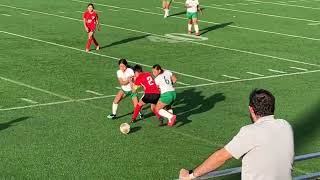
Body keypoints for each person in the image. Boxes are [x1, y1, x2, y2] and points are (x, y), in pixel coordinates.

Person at [179, 89, 294, 180]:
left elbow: (221, 157)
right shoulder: (285, 125)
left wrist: (191, 175)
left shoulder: (250, 131)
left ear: (251, 110)